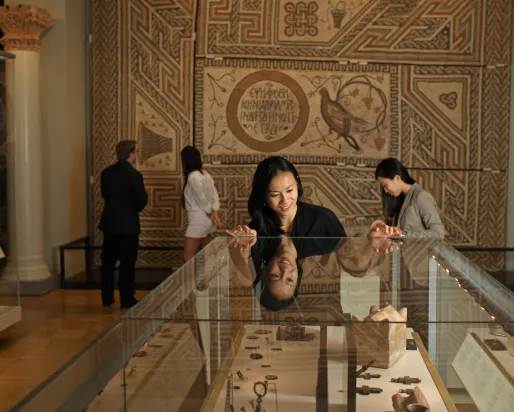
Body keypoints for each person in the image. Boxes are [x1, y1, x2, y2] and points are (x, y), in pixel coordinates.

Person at [226, 156, 347, 240]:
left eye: (289, 190)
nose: (285, 200)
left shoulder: (324, 219)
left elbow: (343, 260)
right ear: (264, 196)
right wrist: (240, 250)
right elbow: (249, 275)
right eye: (275, 194)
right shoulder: (257, 227)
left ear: (297, 182)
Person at [99, 140, 148, 308]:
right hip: (128, 225)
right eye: (136, 152)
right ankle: (126, 298)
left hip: (110, 224)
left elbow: (105, 195)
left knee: (108, 262)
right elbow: (142, 200)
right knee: (127, 263)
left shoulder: (106, 173)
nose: (137, 155)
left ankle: (107, 297)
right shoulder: (134, 175)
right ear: (131, 154)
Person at [369, 158, 445, 239]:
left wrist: (404, 234)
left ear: (397, 178)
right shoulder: (401, 198)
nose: (385, 191)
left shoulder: (421, 197)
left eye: (385, 185)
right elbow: (398, 229)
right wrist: (386, 227)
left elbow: (438, 234)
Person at [181, 146, 222, 262]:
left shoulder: (193, 176)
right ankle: (209, 279)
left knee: (188, 257)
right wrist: (214, 211)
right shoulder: (205, 174)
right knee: (208, 256)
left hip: (198, 220)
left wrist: (212, 213)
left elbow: (201, 199)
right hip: (207, 220)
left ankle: (190, 280)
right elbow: (214, 195)